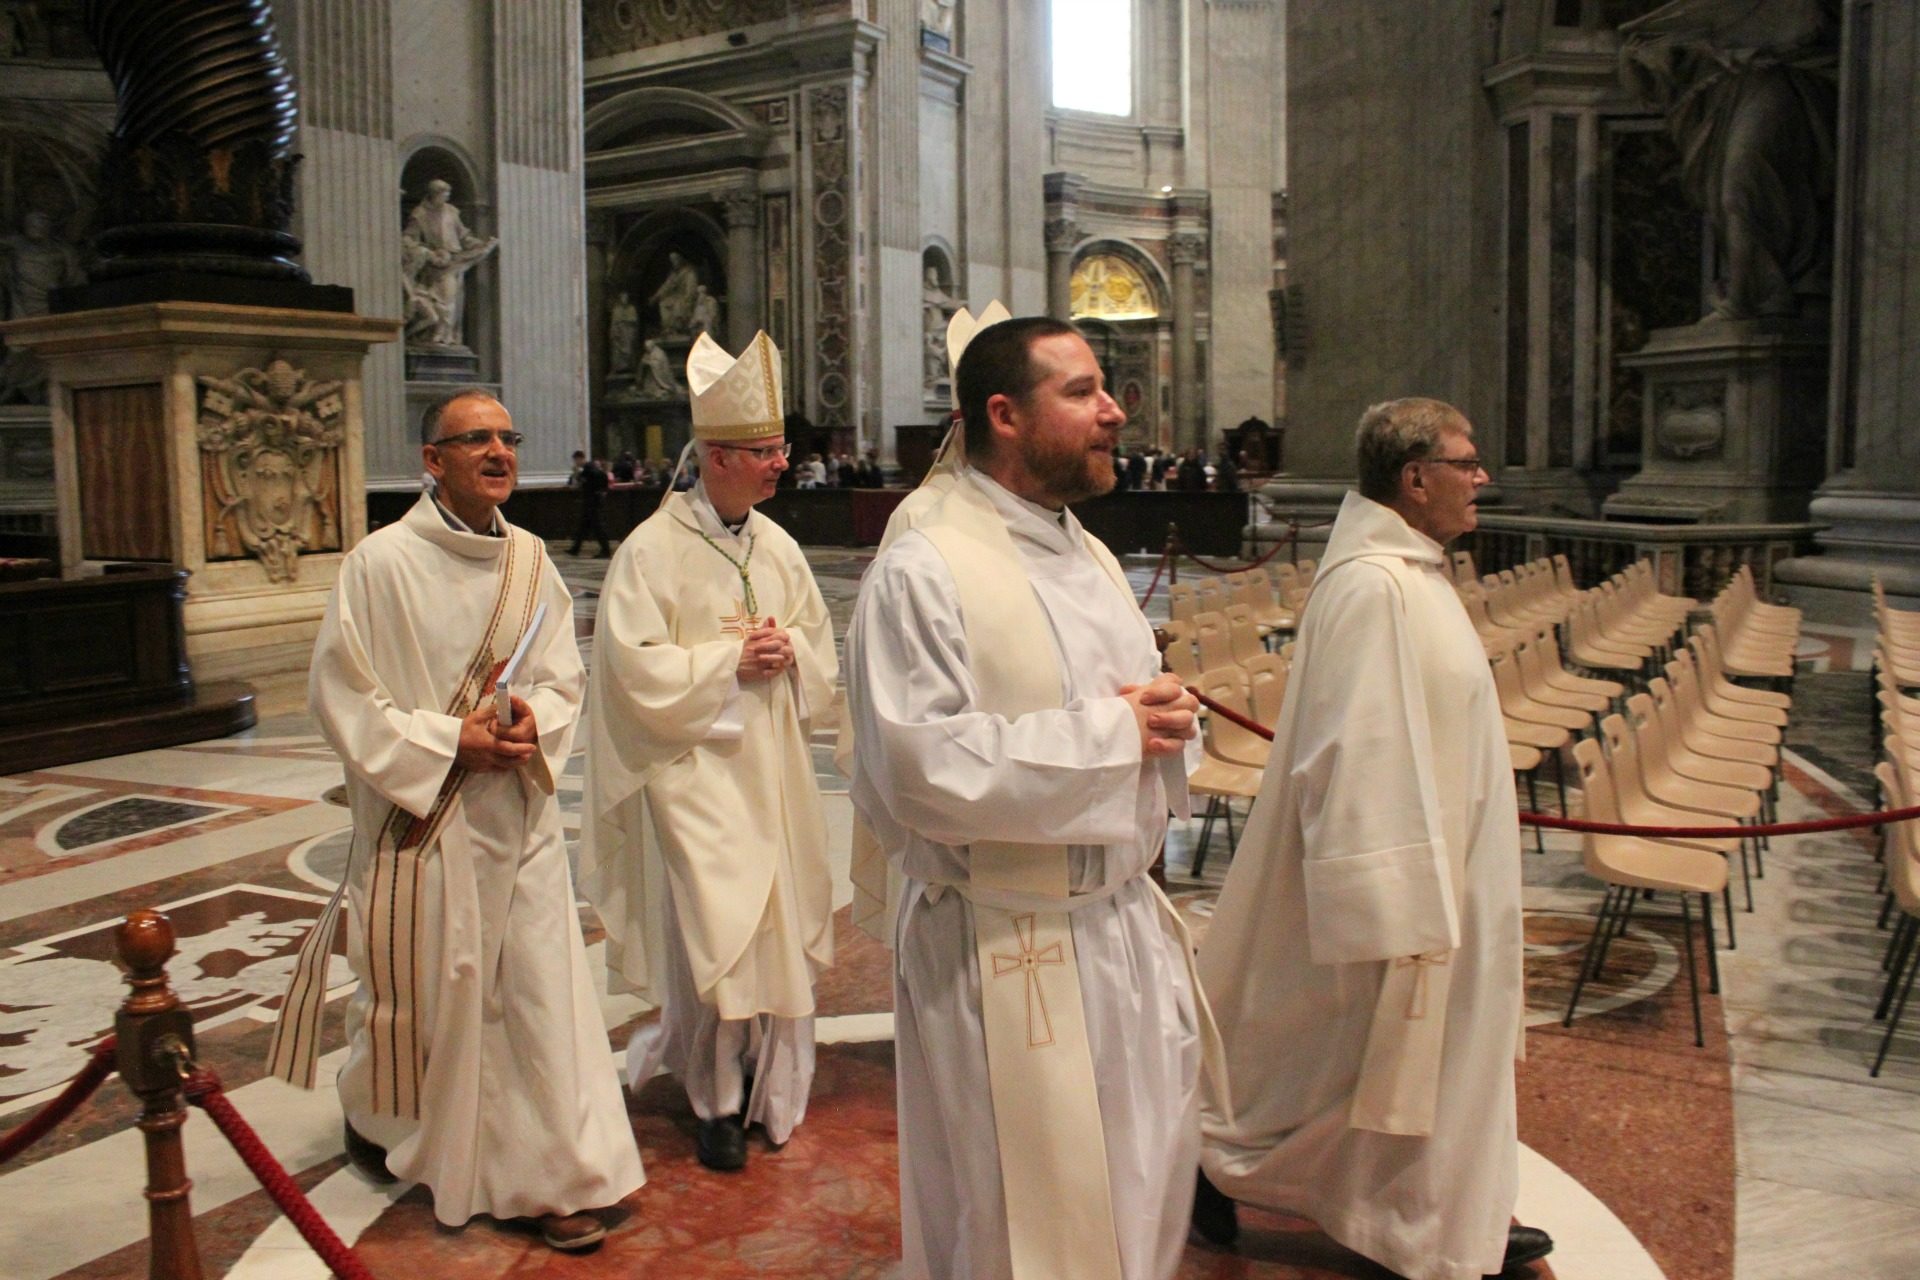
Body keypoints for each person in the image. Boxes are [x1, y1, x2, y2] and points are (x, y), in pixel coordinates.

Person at [845, 315, 1215, 1280]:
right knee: (1023, 1214)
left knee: (1137, 1179)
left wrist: (1166, 717)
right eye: (1084, 391)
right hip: (1005, 935)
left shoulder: (1083, 551)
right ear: (1003, 415)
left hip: (1119, 919)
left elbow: (1130, 713)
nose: (1114, 411)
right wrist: (1118, 734)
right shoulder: (924, 568)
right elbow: (923, 769)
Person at [266, 390, 643, 1251]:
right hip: (424, 825)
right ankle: (400, 1129)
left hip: (517, 817)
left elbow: (560, 675)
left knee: (538, 997)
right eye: (476, 439)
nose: (499, 452)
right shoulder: (379, 563)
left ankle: (551, 1175)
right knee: (430, 993)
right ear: (432, 460)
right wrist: (445, 743)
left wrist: (528, 724)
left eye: (508, 437)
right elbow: (344, 695)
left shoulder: (533, 560)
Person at [1191, 397, 1551, 1280]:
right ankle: (1242, 1171)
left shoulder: (1411, 571)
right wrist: (1392, 896)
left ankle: (1449, 1210)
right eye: (1467, 463)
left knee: (1426, 1060)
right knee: (1369, 1065)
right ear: (1415, 476)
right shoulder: (1371, 585)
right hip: (1412, 877)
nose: (1482, 479)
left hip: (1453, 864)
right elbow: (1351, 745)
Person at [581, 332, 837, 1173]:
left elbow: (819, 640)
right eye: (765, 453)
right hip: (694, 775)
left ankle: (762, 1071)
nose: (780, 467)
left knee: (768, 927)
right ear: (718, 457)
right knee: (719, 932)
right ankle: (719, 1099)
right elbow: (629, 669)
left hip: (772, 771)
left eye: (780, 452)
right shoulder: (650, 552)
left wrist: (791, 651)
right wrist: (730, 661)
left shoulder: (778, 545)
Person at [401, 180, 497, 347]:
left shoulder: (452, 212)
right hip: (432, 266)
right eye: (444, 193)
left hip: (453, 263)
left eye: (448, 193)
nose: (447, 196)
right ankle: (429, 336)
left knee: (449, 301)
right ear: (434, 194)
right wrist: (428, 253)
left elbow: (464, 237)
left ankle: (444, 336)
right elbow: (408, 238)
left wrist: (480, 245)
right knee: (438, 305)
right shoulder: (420, 214)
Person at [568, 449, 612, 557]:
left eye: (576, 460)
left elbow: (583, 481)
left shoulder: (589, 469)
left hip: (592, 502)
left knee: (597, 527)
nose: (575, 463)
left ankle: (606, 550)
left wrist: (600, 490)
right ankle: (575, 549)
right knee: (583, 526)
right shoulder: (590, 468)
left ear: (579, 458)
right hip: (592, 501)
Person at [649, 250, 701, 335]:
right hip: (676, 297)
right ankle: (668, 327)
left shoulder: (689, 273)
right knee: (663, 302)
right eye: (672, 260)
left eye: (675, 259)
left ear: (681, 259)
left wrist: (688, 299)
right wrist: (655, 297)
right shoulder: (673, 274)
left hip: (686, 297)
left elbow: (691, 289)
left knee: (678, 305)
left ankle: (679, 327)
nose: (674, 262)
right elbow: (666, 287)